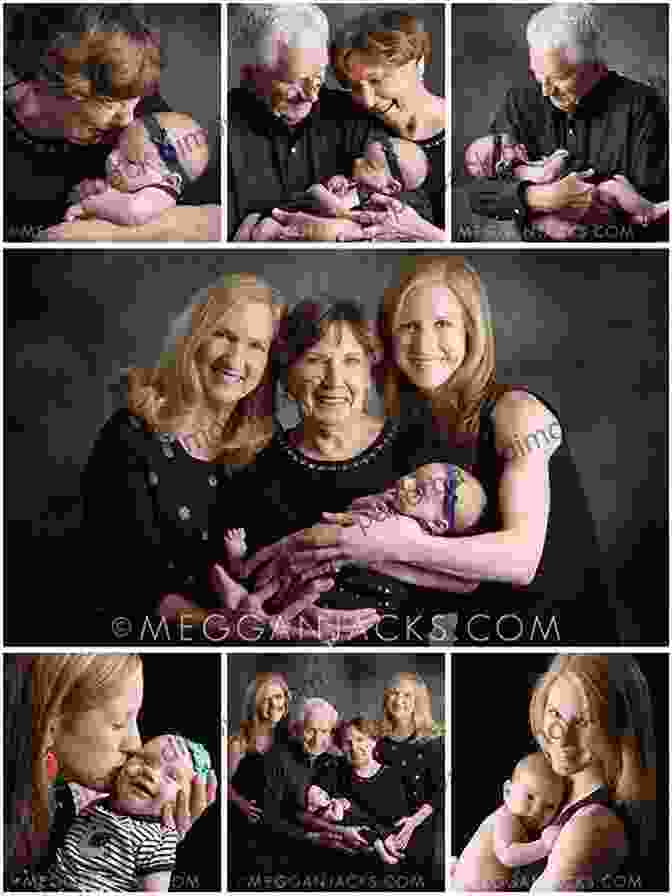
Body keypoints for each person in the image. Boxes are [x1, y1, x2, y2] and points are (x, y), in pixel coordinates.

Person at [247, 256, 612, 645]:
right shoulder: (420, 432)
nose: (424, 344)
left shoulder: (517, 413)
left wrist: (384, 543)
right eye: (408, 327)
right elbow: (438, 567)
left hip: (567, 640)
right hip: (487, 643)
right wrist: (331, 553)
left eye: (442, 324)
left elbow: (521, 559)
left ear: (472, 332)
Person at [80, 273, 378, 644]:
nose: (237, 358)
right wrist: (229, 626)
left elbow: (253, 568)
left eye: (256, 345)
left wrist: (289, 608)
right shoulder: (131, 436)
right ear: (194, 339)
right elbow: (126, 582)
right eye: (225, 335)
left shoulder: (255, 449)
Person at [236, 297, 479, 644]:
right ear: (287, 374)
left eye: (351, 361)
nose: (334, 380)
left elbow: (468, 576)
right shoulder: (255, 466)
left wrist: (371, 545)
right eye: (315, 360)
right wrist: (283, 615)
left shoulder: (422, 454)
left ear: (369, 372)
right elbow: (248, 581)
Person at [4, 5, 220, 242]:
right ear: (57, 84)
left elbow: (210, 217)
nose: (127, 120)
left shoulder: (148, 123)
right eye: (112, 102)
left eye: (134, 101)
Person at [228, 5, 442, 242]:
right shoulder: (226, 127)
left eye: (318, 76)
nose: (312, 96)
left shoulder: (353, 115)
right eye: (294, 82)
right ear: (249, 76)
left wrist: (336, 228)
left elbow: (416, 209)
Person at [3, 655, 216, 891]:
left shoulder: (83, 801)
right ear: (50, 726)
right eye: (118, 723)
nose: (136, 744)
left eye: (135, 718)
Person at [463, 3, 668, 241]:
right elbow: (479, 193)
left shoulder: (642, 105)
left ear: (596, 65)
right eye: (538, 75)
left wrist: (584, 216)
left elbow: (651, 217)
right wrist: (546, 198)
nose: (546, 91)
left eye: (560, 78)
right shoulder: (520, 101)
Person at [525, 655, 657, 890]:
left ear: (620, 729)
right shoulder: (548, 787)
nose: (562, 738)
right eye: (555, 713)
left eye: (584, 722)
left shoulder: (593, 825)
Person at [329, 8, 447, 235]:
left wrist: (422, 231)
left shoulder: (460, 137)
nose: (368, 100)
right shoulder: (347, 119)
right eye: (354, 87)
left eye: (377, 80)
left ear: (418, 62)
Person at [46, 734, 211, 891]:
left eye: (171, 776)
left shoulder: (158, 840)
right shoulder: (97, 802)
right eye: (144, 760)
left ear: (186, 804)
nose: (150, 773)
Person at [464, 135, 669, 239]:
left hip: (590, 196)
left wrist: (551, 160)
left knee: (615, 188)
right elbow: (546, 175)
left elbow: (549, 168)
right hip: (581, 211)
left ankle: (643, 213)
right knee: (613, 190)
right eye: (498, 150)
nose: (508, 147)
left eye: (500, 140)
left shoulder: (529, 164)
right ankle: (645, 214)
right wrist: (556, 159)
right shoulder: (518, 175)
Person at [239, 135, 433, 242]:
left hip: (300, 232)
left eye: (368, 165)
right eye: (362, 156)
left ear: (391, 187)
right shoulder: (347, 184)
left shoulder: (387, 213)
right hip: (283, 214)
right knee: (260, 227)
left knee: (264, 232)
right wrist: (344, 209)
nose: (356, 161)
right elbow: (315, 191)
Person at [259, 698, 371, 873]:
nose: (317, 740)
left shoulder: (335, 760)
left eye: (324, 731)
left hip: (338, 852)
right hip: (289, 851)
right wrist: (313, 837)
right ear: (297, 728)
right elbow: (268, 817)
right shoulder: (278, 759)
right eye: (310, 730)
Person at [62, 112, 210, 228]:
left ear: (171, 180)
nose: (112, 158)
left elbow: (133, 211)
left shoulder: (163, 193)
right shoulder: (133, 179)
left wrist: (89, 204)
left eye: (130, 162)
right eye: (117, 147)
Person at [452, 753, 566, 891]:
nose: (537, 811)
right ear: (507, 792)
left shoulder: (521, 823)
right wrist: (544, 845)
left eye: (549, 806)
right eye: (530, 797)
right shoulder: (506, 817)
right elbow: (507, 855)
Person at [374, 673, 445, 886]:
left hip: (421, 828)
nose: (399, 700)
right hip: (384, 830)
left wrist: (413, 822)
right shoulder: (378, 742)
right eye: (394, 693)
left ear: (418, 702)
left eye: (407, 695)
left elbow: (442, 790)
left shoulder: (434, 742)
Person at [227, 673, 290, 876]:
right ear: (255, 703)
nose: (274, 704)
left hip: (280, 827)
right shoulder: (240, 741)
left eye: (278, 697)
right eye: (266, 699)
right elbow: (222, 784)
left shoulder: (287, 737)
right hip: (246, 828)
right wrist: (242, 804)